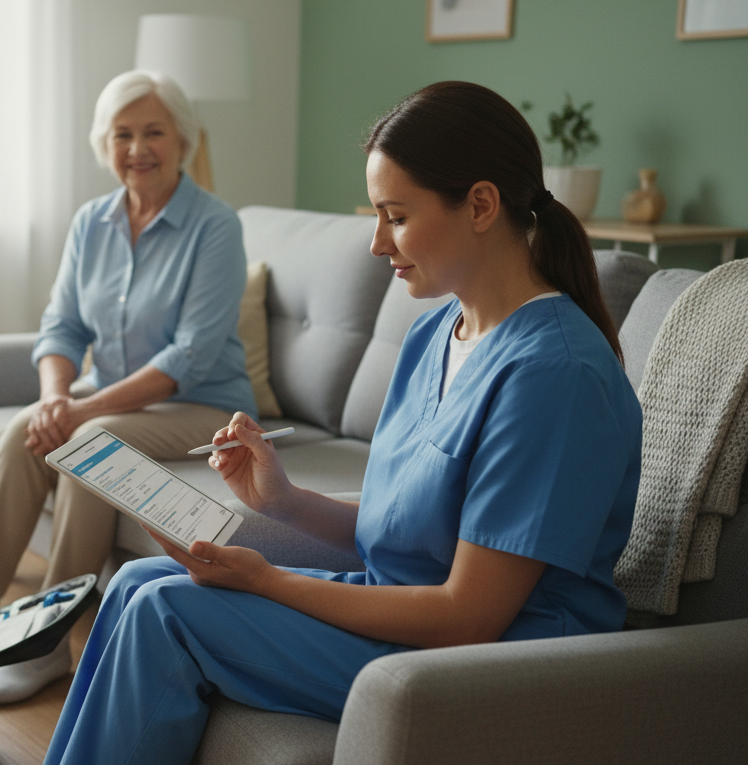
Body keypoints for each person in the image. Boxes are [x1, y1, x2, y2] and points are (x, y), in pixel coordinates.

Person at [44, 81, 644, 764]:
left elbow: (468, 615)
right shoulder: (435, 334)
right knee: (134, 582)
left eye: (395, 216)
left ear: (481, 204)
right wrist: (285, 502)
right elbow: (408, 530)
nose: (376, 243)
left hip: (488, 662)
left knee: (165, 613)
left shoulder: (554, 374)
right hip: (401, 611)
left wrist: (266, 578)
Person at [0, 70, 257, 703]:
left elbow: (189, 357)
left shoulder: (215, 226)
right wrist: (54, 399)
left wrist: (81, 410)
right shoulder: (91, 222)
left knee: (90, 442)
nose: (137, 148)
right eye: (123, 134)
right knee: (25, 430)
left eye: (154, 132)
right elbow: (62, 326)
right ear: (105, 143)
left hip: (202, 404)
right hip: (110, 396)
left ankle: (46, 644)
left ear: (183, 139)